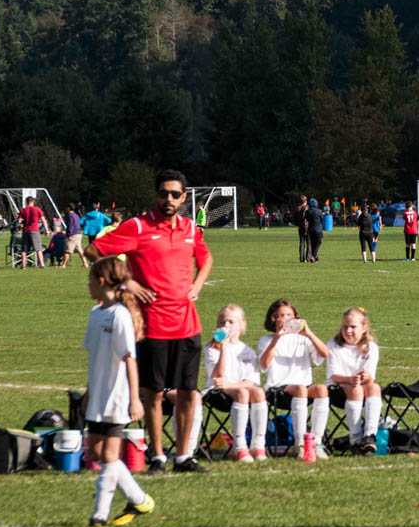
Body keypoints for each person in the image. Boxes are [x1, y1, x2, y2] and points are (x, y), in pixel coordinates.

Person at [85, 169, 213, 474]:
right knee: (153, 394)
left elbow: (206, 258)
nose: (167, 199)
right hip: (151, 325)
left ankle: (183, 456)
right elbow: (93, 252)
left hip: (187, 324)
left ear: (184, 197)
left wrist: (197, 284)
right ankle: (157, 456)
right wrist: (126, 284)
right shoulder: (138, 226)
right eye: (162, 193)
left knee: (187, 393)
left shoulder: (190, 228)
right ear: (156, 195)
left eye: (174, 194)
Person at [83, 256, 155, 527]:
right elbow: (94, 357)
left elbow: (129, 359)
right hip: (98, 395)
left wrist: (135, 398)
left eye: (90, 280)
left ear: (101, 282)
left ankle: (99, 515)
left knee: (111, 456)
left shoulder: (121, 316)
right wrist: (89, 392)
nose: (88, 285)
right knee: (99, 454)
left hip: (117, 395)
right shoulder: (95, 313)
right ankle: (139, 499)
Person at [257, 299, 331, 459]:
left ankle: (316, 442)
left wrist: (309, 333)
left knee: (321, 389)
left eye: (289, 315)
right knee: (300, 389)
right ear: (274, 319)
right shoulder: (267, 340)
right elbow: (264, 364)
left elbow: (325, 354)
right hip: (277, 389)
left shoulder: (303, 339)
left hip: (303, 386)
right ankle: (301, 443)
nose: (286, 319)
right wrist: (276, 338)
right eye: (281, 316)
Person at [205, 304, 268, 463]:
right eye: (222, 322)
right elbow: (218, 378)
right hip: (216, 394)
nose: (226, 325)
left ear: (241, 326)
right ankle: (239, 446)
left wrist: (229, 386)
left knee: (258, 392)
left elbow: (251, 381)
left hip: (236, 389)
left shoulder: (246, 350)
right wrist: (224, 347)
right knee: (242, 393)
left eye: (231, 322)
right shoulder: (212, 348)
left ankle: (258, 445)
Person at [326, 307, 382, 455]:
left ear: (364, 328)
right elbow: (334, 376)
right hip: (336, 389)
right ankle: (355, 439)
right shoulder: (333, 345)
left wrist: (366, 376)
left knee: (375, 388)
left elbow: (371, 377)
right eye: (345, 327)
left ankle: (370, 436)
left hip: (361, 387)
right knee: (355, 389)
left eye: (353, 327)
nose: (348, 331)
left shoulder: (371, 347)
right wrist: (350, 379)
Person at [16, 195, 49, 268]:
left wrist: (21, 223)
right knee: (38, 248)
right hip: (34, 230)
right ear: (33, 201)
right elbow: (43, 220)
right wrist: (47, 230)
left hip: (25, 230)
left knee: (24, 249)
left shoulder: (23, 210)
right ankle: (42, 264)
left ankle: (23, 265)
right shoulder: (37, 210)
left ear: (26, 202)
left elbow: (19, 221)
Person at [61, 203, 89, 269]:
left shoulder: (70, 216)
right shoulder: (76, 215)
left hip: (72, 235)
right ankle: (85, 264)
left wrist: (68, 235)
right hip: (78, 234)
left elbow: (70, 226)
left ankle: (63, 265)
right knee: (80, 250)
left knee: (67, 250)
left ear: (68, 208)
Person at [295, 195, 310, 263]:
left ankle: (301, 259)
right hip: (307, 227)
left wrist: (298, 224)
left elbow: (294, 219)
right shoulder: (307, 207)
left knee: (301, 243)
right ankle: (308, 258)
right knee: (309, 243)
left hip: (300, 227)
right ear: (306, 201)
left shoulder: (297, 208)